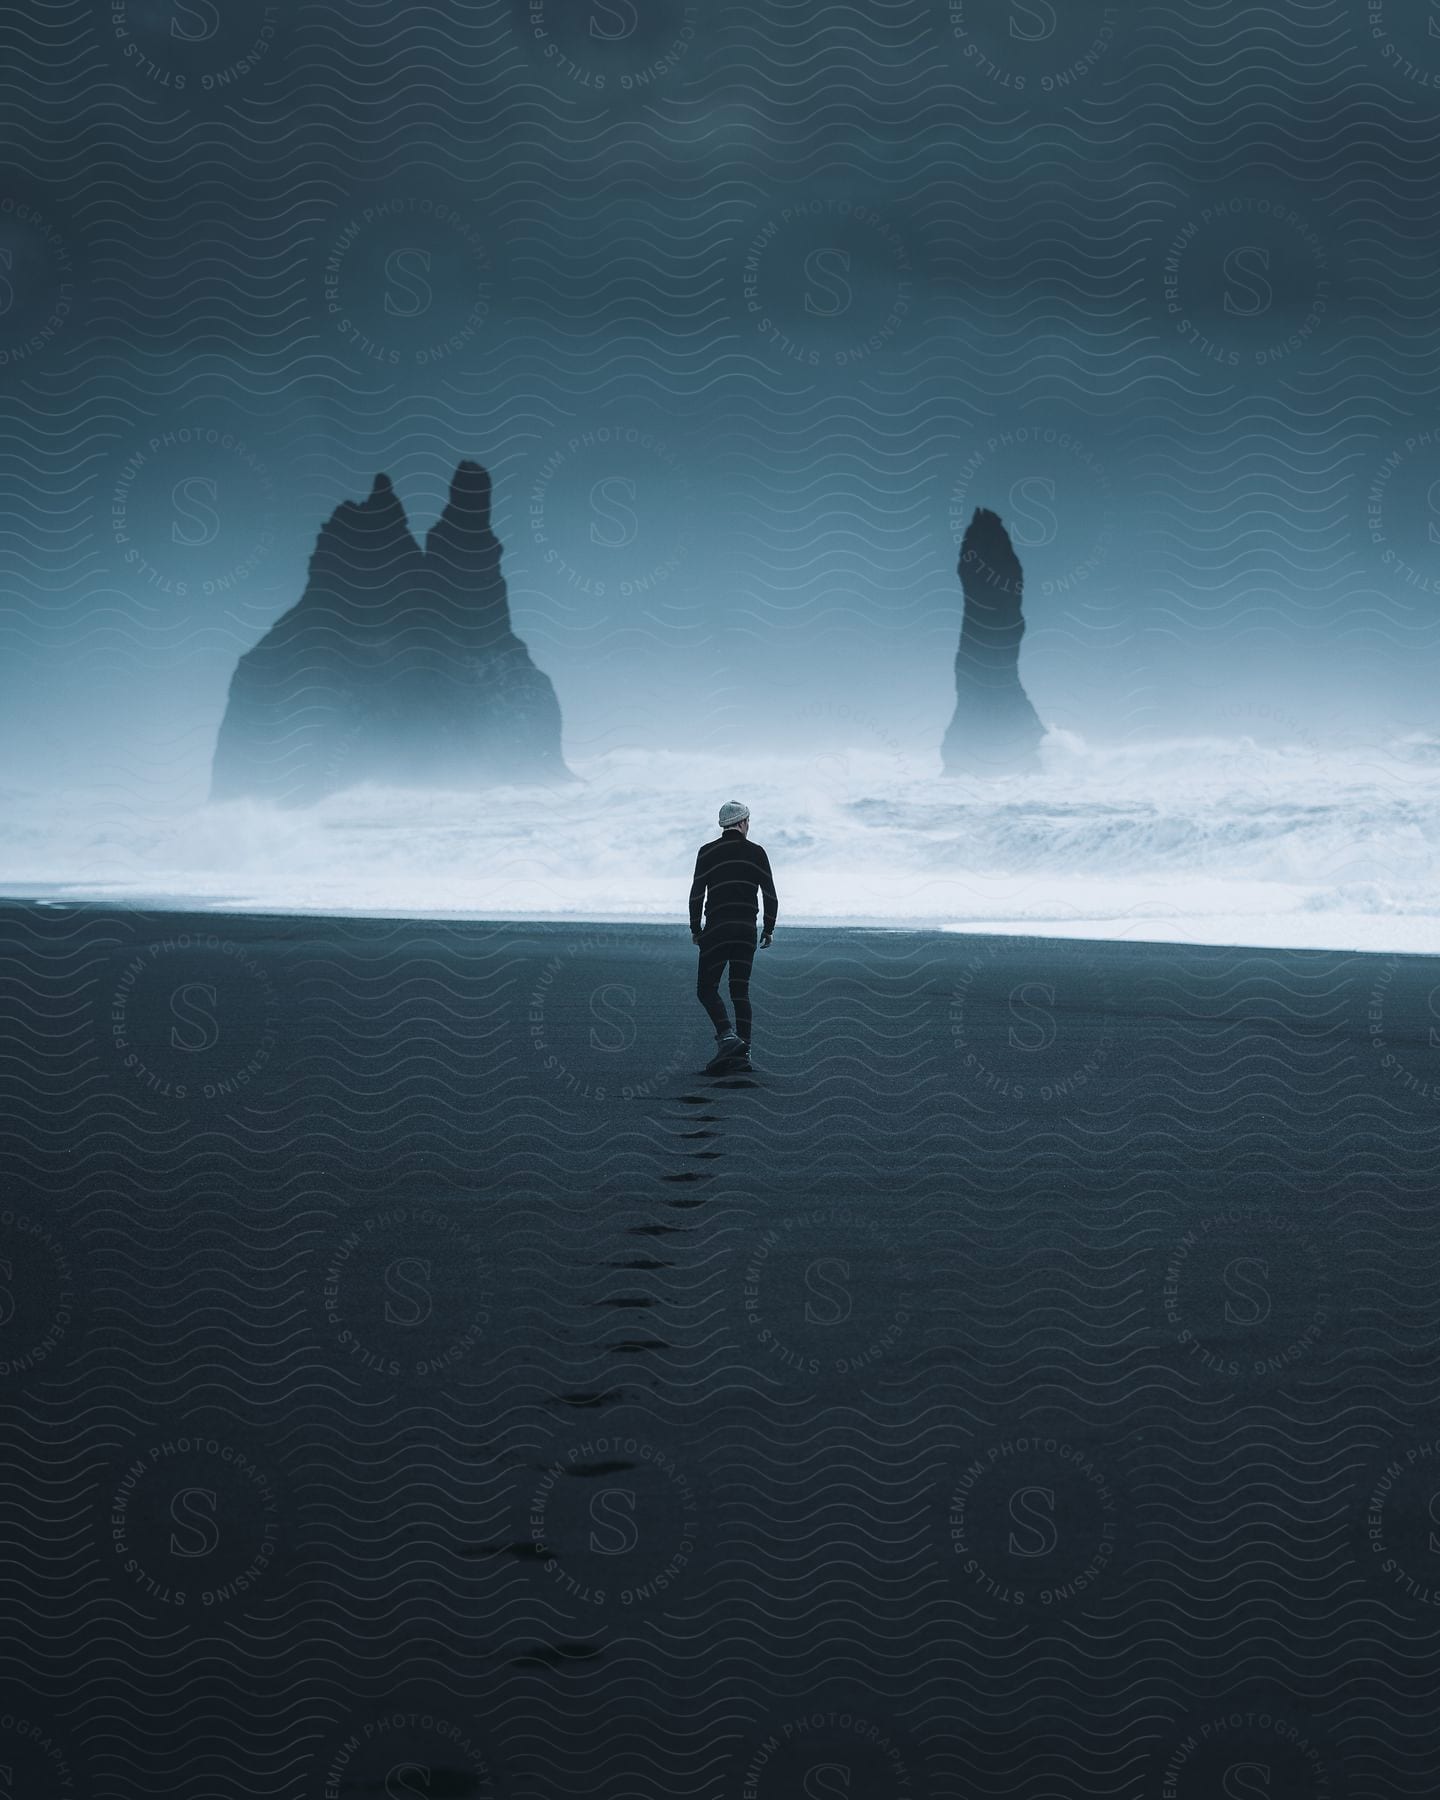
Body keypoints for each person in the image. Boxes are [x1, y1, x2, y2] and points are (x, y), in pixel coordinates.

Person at [689, 800, 778, 1073]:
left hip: (716, 930)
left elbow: (696, 895)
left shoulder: (706, 852)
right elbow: (770, 894)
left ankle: (727, 1037)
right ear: (743, 823)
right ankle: (744, 1053)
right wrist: (769, 928)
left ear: (724, 825)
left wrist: (696, 929)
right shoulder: (757, 852)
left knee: (706, 989)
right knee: (739, 991)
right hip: (745, 932)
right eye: (748, 822)